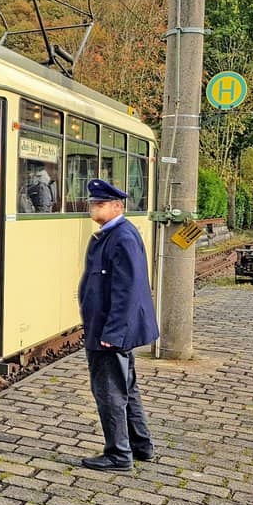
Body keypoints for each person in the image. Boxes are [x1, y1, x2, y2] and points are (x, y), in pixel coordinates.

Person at [77, 178, 158, 472]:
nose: (93, 208)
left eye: (100, 204)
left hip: (109, 331)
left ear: (117, 206)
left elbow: (129, 289)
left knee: (109, 391)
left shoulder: (121, 236)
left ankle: (118, 455)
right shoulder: (110, 234)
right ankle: (140, 445)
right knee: (126, 386)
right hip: (106, 326)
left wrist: (113, 332)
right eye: (92, 203)